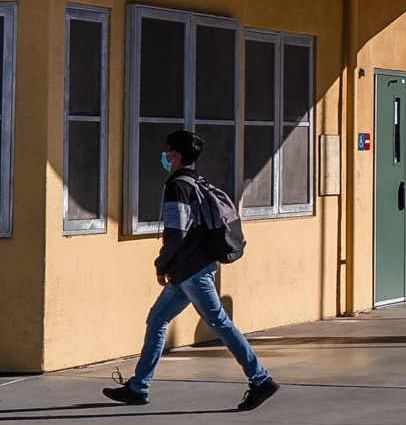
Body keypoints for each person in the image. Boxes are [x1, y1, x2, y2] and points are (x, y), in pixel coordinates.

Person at [104, 130, 278, 410]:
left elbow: (176, 231)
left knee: (219, 323)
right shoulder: (197, 180)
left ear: (176, 154)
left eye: (167, 149)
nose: (164, 155)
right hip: (191, 269)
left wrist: (161, 263)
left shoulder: (177, 186)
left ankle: (260, 379)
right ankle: (138, 387)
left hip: (192, 269)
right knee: (157, 320)